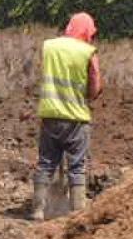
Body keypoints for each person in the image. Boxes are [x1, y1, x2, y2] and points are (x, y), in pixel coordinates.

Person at [31, 12, 102, 221]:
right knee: (77, 166)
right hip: (76, 119)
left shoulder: (49, 46)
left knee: (45, 162)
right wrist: (89, 95)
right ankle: (77, 212)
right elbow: (95, 85)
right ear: (87, 31)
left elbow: (45, 74)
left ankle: (37, 209)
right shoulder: (88, 52)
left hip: (50, 115)